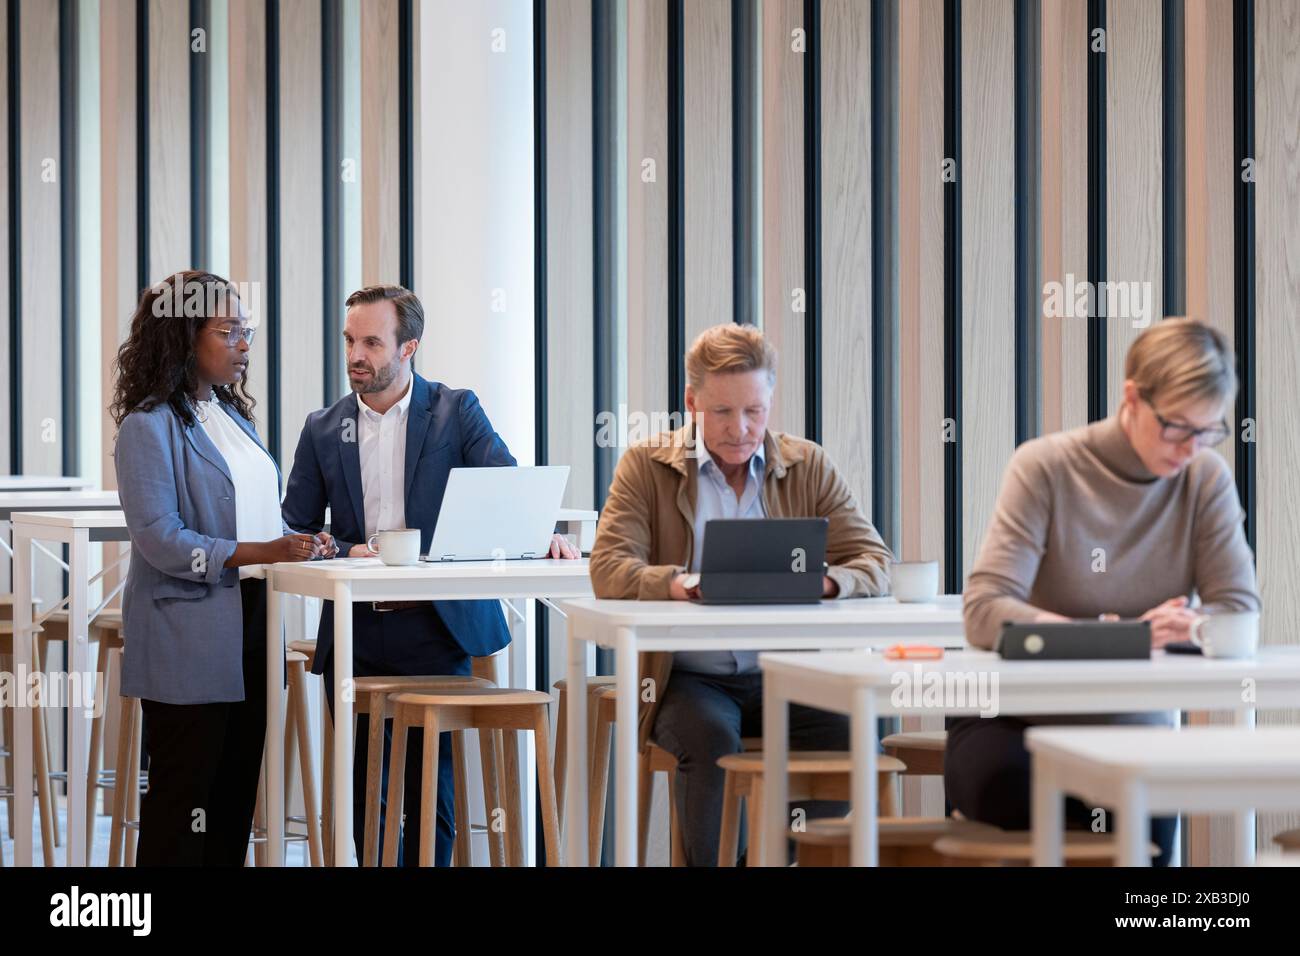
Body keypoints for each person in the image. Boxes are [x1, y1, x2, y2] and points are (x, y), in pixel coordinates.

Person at [282, 284, 578, 866]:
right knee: (365, 786)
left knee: (429, 788)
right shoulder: (323, 427)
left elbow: (505, 487)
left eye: (371, 341)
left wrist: (536, 532)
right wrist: (344, 549)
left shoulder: (453, 410)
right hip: (356, 629)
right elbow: (295, 528)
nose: (355, 356)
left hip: (436, 626)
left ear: (408, 346)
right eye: (349, 341)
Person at [952, 317, 1260, 866]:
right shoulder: (1045, 466)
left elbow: (1236, 613)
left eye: (1208, 431)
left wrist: (1191, 625)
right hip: (1012, 721)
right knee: (1021, 797)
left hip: (1130, 724)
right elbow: (984, 608)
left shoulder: (1204, 480)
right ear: (1133, 398)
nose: (1190, 448)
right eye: (1176, 427)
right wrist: (1121, 636)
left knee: (1145, 830)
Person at [588, 322, 893, 865]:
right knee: (709, 741)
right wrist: (683, 585)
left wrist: (823, 583)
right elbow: (609, 568)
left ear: (770, 402)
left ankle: (773, 857)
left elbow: (874, 562)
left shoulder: (807, 464)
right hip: (690, 679)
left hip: (789, 673)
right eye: (723, 412)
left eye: (754, 411)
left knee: (854, 737)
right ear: (692, 402)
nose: (740, 428)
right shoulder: (646, 465)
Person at [112, 270, 328, 866]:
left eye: (246, 330)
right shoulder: (147, 427)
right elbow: (160, 539)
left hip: (255, 621)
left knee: (233, 800)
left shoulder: (234, 420)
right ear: (183, 336)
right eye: (227, 330)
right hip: (190, 632)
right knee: (184, 808)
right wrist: (263, 552)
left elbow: (256, 520)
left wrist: (303, 541)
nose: (243, 344)